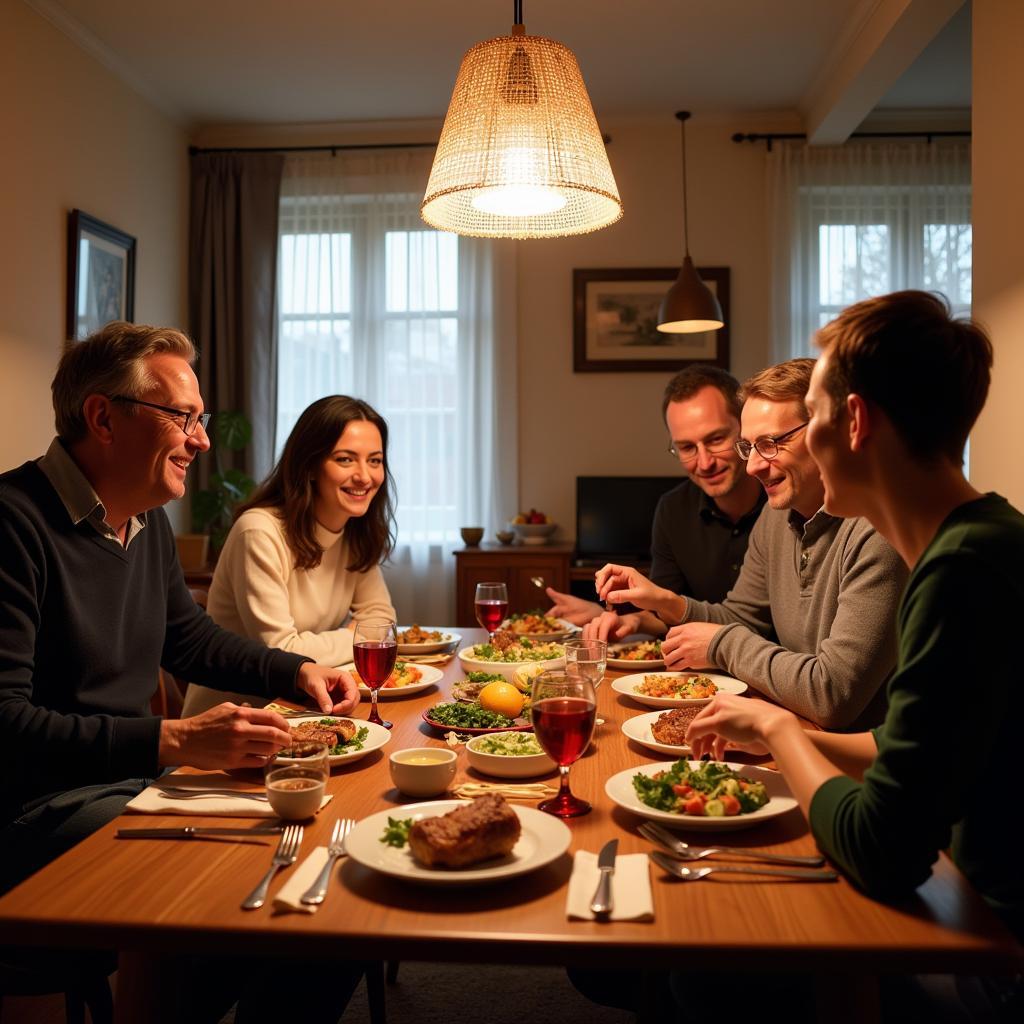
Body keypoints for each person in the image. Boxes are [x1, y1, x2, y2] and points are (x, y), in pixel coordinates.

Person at [0, 322, 363, 1020]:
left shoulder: (143, 521)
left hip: (129, 787)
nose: (201, 440)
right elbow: (8, 723)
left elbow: (189, 639)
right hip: (33, 813)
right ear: (104, 417)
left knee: (325, 867)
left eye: (199, 419)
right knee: (244, 882)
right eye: (183, 418)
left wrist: (296, 675)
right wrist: (171, 742)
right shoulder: (14, 525)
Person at [687, 290, 1023, 1016]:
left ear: (857, 421)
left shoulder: (963, 572)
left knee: (716, 970)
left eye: (810, 415)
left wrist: (781, 733)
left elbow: (881, 850)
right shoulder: (981, 541)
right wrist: (806, 740)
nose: (765, 461)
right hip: (974, 913)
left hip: (995, 956)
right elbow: (915, 745)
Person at [586, 358, 907, 730]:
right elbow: (742, 618)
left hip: (859, 767)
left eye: (770, 443)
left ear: (827, 432)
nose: (753, 466)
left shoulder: (878, 530)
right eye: (748, 446)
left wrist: (723, 644)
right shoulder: (776, 516)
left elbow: (832, 694)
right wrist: (663, 600)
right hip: (791, 731)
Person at [183, 395, 397, 715]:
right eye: (345, 459)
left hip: (304, 709)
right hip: (232, 723)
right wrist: (354, 637)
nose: (365, 476)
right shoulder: (259, 532)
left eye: (375, 460)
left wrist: (356, 637)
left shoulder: (354, 534)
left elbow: (383, 623)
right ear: (309, 465)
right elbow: (284, 654)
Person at [546, 365, 764, 624]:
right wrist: (628, 620)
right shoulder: (672, 509)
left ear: (744, 427)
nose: (704, 463)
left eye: (716, 439)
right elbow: (667, 611)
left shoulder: (783, 503)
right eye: (686, 447)